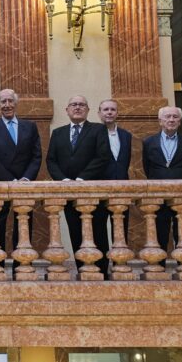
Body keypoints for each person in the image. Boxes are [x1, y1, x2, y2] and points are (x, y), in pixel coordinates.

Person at [46, 95, 111, 275]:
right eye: (73, 104)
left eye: (81, 105)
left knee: (98, 232)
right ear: (67, 110)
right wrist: (64, 180)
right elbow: (51, 160)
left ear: (88, 110)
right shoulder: (58, 133)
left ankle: (102, 272)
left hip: (92, 191)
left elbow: (102, 157)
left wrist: (82, 179)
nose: (77, 107)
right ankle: (83, 270)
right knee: (75, 232)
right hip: (68, 192)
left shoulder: (98, 130)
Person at [0, 89, 41, 259]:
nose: (7, 105)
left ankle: (22, 264)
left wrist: (25, 178)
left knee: (23, 225)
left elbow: (36, 156)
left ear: (16, 104)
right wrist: (11, 180)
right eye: (3, 102)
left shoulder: (30, 127)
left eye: (10, 101)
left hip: (24, 184)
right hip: (0, 183)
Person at [143, 106, 182, 256]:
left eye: (175, 117)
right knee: (159, 232)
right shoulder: (148, 142)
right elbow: (147, 168)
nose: (171, 120)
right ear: (160, 121)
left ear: (180, 121)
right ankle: (159, 268)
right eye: (167, 117)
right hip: (158, 196)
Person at [97, 99, 132, 243]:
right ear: (99, 113)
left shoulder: (126, 135)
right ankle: (102, 265)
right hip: (99, 188)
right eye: (106, 110)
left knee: (121, 230)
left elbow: (125, 161)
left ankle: (120, 262)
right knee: (99, 229)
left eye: (113, 109)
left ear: (117, 113)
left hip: (122, 188)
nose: (109, 112)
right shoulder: (93, 134)